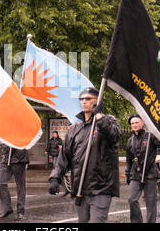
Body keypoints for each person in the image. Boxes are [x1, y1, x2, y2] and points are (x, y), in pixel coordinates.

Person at [48, 87, 121, 223]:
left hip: (101, 188)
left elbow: (114, 136)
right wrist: (55, 178)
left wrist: (99, 117)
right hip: (80, 187)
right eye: (82, 99)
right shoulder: (75, 128)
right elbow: (63, 157)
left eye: (88, 99)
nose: (84, 102)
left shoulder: (108, 121)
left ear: (97, 101)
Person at [126, 114, 160, 223]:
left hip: (150, 173)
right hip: (135, 174)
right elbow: (129, 160)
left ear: (142, 123)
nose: (134, 125)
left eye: (137, 122)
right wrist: (127, 174)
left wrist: (157, 131)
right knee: (132, 199)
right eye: (132, 123)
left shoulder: (150, 136)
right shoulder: (130, 141)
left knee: (150, 202)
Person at [0, 145, 29, 220]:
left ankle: (20, 210)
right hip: (6, 158)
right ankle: (7, 208)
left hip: (19, 159)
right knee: (1, 183)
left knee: (20, 185)